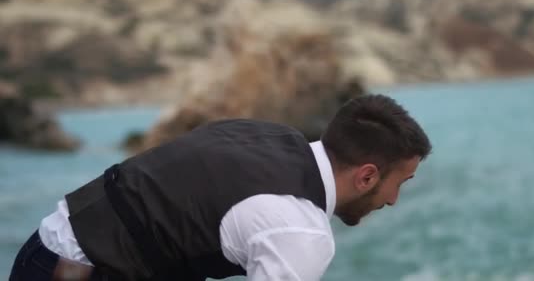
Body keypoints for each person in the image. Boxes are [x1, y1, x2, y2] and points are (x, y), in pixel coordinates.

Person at [9, 94, 432, 281]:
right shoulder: (300, 230)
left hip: (46, 249)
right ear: (367, 176)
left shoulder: (268, 136)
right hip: (75, 272)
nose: (394, 201)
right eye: (400, 184)